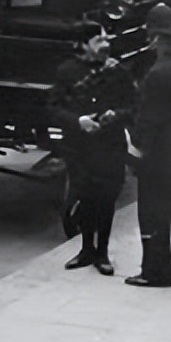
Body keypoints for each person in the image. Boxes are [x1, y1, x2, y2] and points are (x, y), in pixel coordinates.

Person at [48, 25, 137, 277]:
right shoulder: (67, 72)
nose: (106, 43)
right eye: (99, 39)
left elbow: (132, 104)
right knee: (85, 195)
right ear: (84, 44)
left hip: (109, 144)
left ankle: (103, 253)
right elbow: (53, 108)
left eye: (107, 37)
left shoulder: (118, 71)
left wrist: (114, 116)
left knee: (107, 198)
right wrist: (78, 121)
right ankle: (86, 250)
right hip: (79, 146)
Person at [126, 5, 171, 287]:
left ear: (155, 38)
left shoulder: (156, 75)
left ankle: (156, 271)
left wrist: (134, 155)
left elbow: (147, 124)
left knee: (153, 211)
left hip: (160, 158)